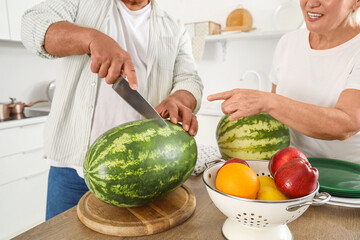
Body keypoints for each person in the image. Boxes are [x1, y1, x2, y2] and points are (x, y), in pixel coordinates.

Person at [21, 0, 203, 220]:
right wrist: (90, 38)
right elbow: (32, 25)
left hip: (142, 171)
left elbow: (189, 78)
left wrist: (181, 98)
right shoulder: (80, 2)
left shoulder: (175, 28)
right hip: (70, 168)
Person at [208, 0, 360, 164]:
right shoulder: (288, 42)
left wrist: (268, 101)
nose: (311, 3)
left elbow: (346, 124)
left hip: (345, 178)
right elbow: (276, 118)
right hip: (290, 170)